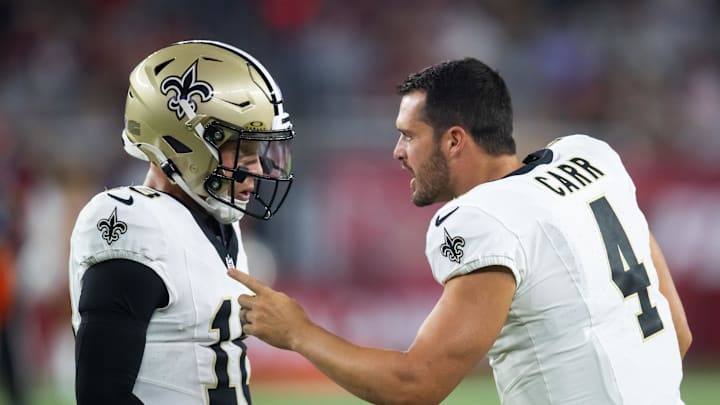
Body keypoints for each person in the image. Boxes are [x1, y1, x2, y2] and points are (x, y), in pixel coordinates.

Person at [228, 58, 692, 405]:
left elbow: (416, 384)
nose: (397, 151)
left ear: (454, 140)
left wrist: (298, 333)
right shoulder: (592, 159)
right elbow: (678, 333)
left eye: (409, 135)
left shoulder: (482, 217)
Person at [69, 40, 295, 405]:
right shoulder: (136, 222)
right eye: (243, 148)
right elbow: (102, 396)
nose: (258, 168)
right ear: (184, 143)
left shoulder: (219, 225)